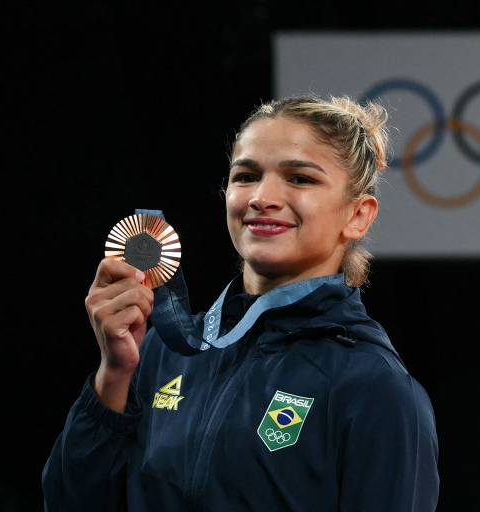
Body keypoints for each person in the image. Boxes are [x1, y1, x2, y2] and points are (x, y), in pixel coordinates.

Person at [42, 96, 440, 511]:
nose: (262, 197)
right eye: (247, 175)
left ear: (358, 215)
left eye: (300, 179)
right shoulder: (162, 352)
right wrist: (114, 373)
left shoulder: (373, 387)